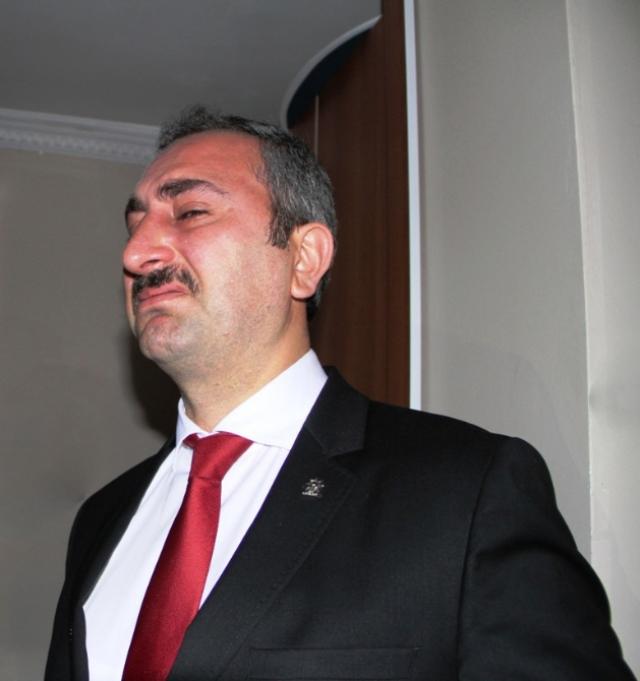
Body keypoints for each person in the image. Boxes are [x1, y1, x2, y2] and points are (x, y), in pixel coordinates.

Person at [45, 106, 635, 681]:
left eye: (191, 211)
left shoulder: (466, 489)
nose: (135, 254)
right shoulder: (101, 518)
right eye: (134, 226)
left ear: (305, 259)